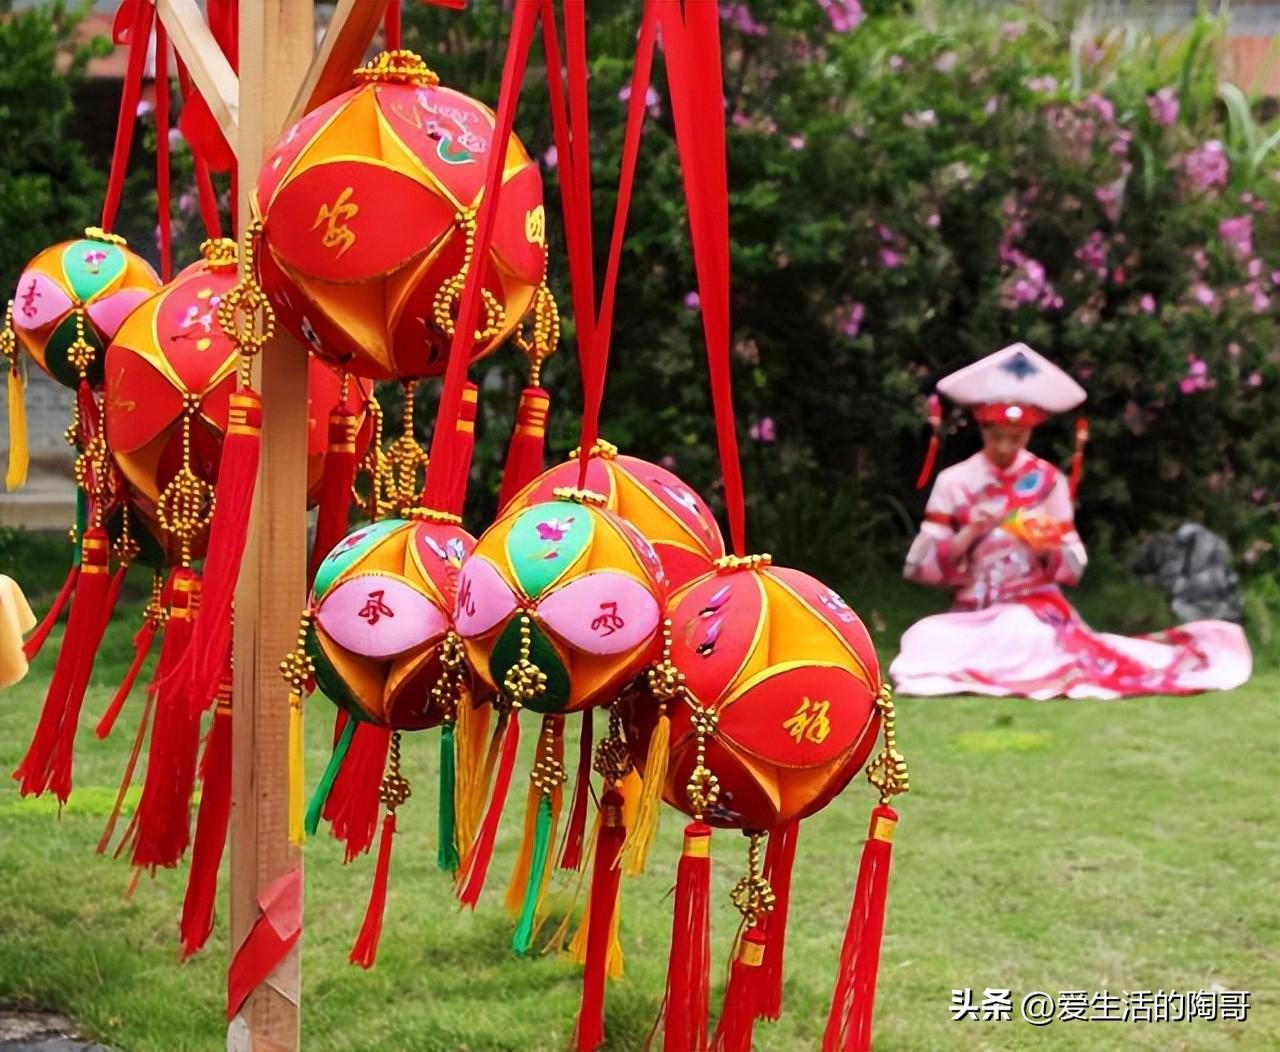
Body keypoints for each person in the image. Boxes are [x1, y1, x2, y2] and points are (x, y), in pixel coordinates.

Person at [890, 343, 1252, 699]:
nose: (1004, 447)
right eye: (995, 435)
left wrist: (1044, 543)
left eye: (1016, 437)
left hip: (1032, 608)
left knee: (1021, 630)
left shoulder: (1048, 481)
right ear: (980, 428)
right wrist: (969, 533)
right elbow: (919, 565)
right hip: (972, 613)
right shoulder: (954, 481)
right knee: (924, 635)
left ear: (1030, 432)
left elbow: (1073, 566)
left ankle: (1011, 668)